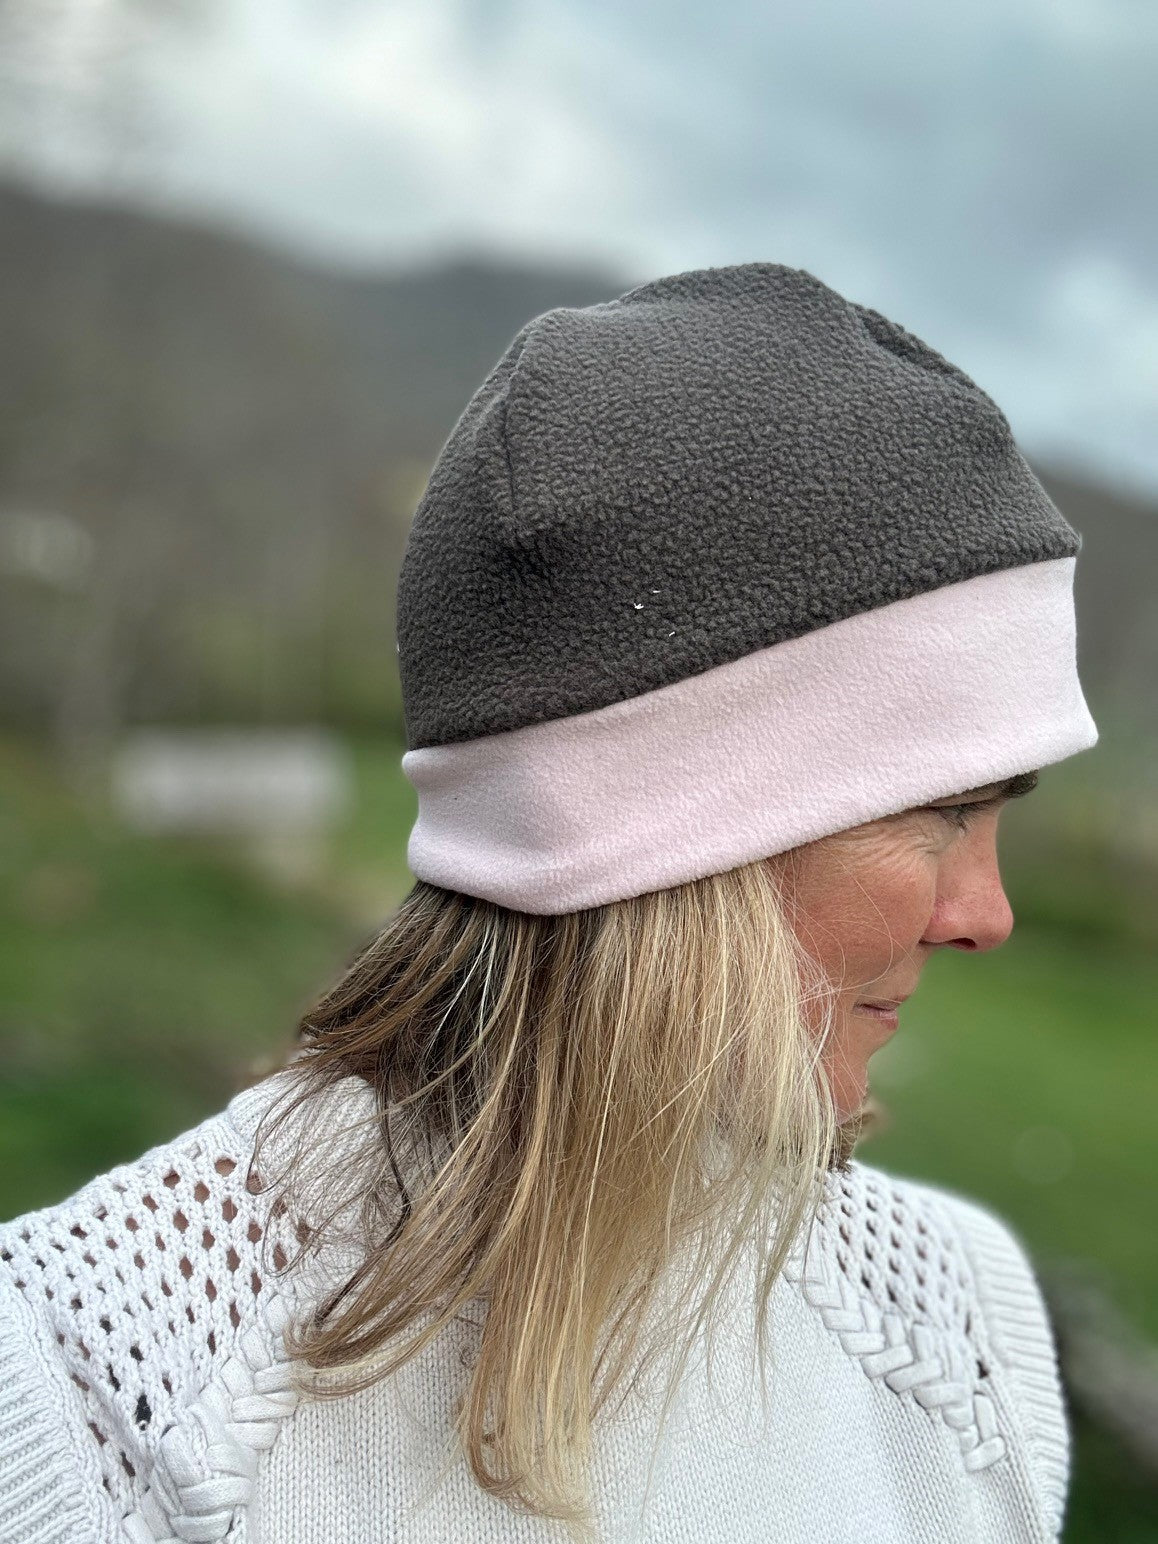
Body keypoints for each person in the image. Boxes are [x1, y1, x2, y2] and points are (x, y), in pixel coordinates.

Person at [0, 263, 1098, 1544]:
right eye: (944, 809)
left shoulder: (962, 1322)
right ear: (673, 839)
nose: (986, 913)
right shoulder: (87, 1397)